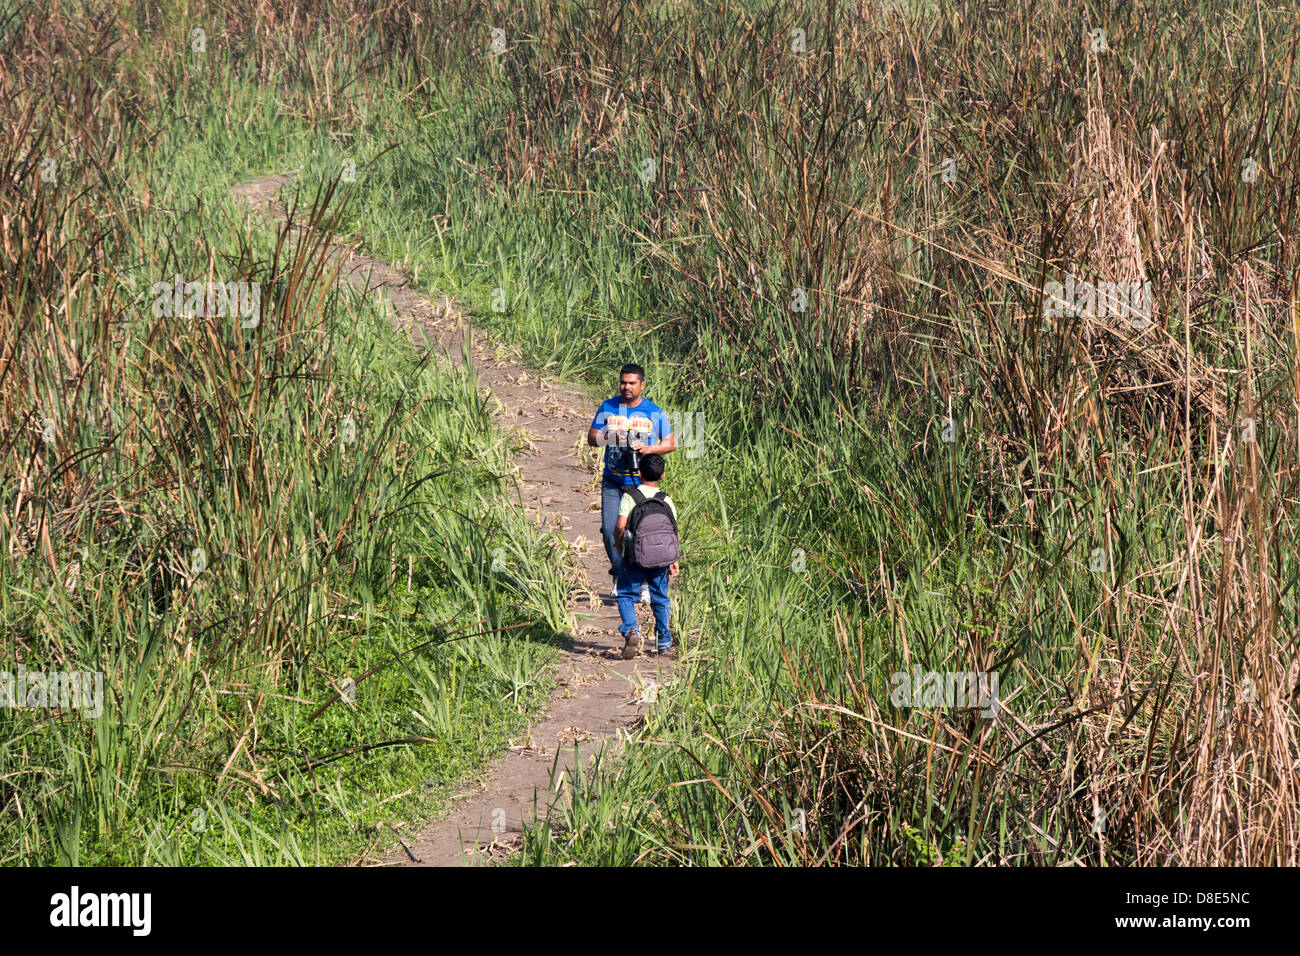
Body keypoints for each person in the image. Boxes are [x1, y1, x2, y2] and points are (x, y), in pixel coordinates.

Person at [586, 363, 676, 601]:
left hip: (641, 483)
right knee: (610, 531)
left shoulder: (653, 411)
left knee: (641, 533)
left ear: (642, 385)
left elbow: (670, 442)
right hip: (613, 480)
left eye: (631, 383)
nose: (626, 387)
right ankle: (620, 575)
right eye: (623, 382)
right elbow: (592, 438)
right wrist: (614, 436)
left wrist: (647, 448)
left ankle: (644, 582)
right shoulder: (608, 406)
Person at [613, 453, 680, 657]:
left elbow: (620, 526)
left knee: (625, 594)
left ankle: (631, 629)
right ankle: (664, 642)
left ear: (639, 472)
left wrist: (619, 545)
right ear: (663, 476)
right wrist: (674, 559)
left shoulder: (630, 496)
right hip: (661, 558)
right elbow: (674, 531)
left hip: (635, 556)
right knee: (660, 597)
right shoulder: (665, 499)